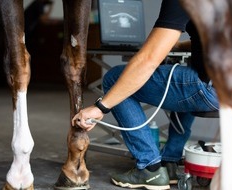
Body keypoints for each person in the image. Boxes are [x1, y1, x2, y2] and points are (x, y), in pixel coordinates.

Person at [72, 0, 219, 189]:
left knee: (114, 78)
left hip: (209, 90)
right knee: (181, 75)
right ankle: (170, 161)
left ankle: (150, 168)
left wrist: (101, 107)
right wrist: (174, 45)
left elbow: (148, 59)